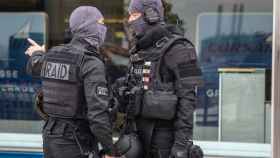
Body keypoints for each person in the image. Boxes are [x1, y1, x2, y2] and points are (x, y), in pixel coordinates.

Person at [114, 0, 203, 158]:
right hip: (137, 136)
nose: (130, 20)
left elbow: (188, 99)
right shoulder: (140, 49)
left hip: (164, 139)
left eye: (134, 15)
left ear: (151, 14)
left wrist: (181, 144)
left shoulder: (180, 48)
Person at [25, 6, 117, 158]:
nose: (104, 28)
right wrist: (111, 151)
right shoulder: (91, 63)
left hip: (50, 139)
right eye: (100, 23)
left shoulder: (54, 53)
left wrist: (37, 52)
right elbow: (98, 116)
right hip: (77, 143)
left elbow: (34, 66)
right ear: (89, 27)